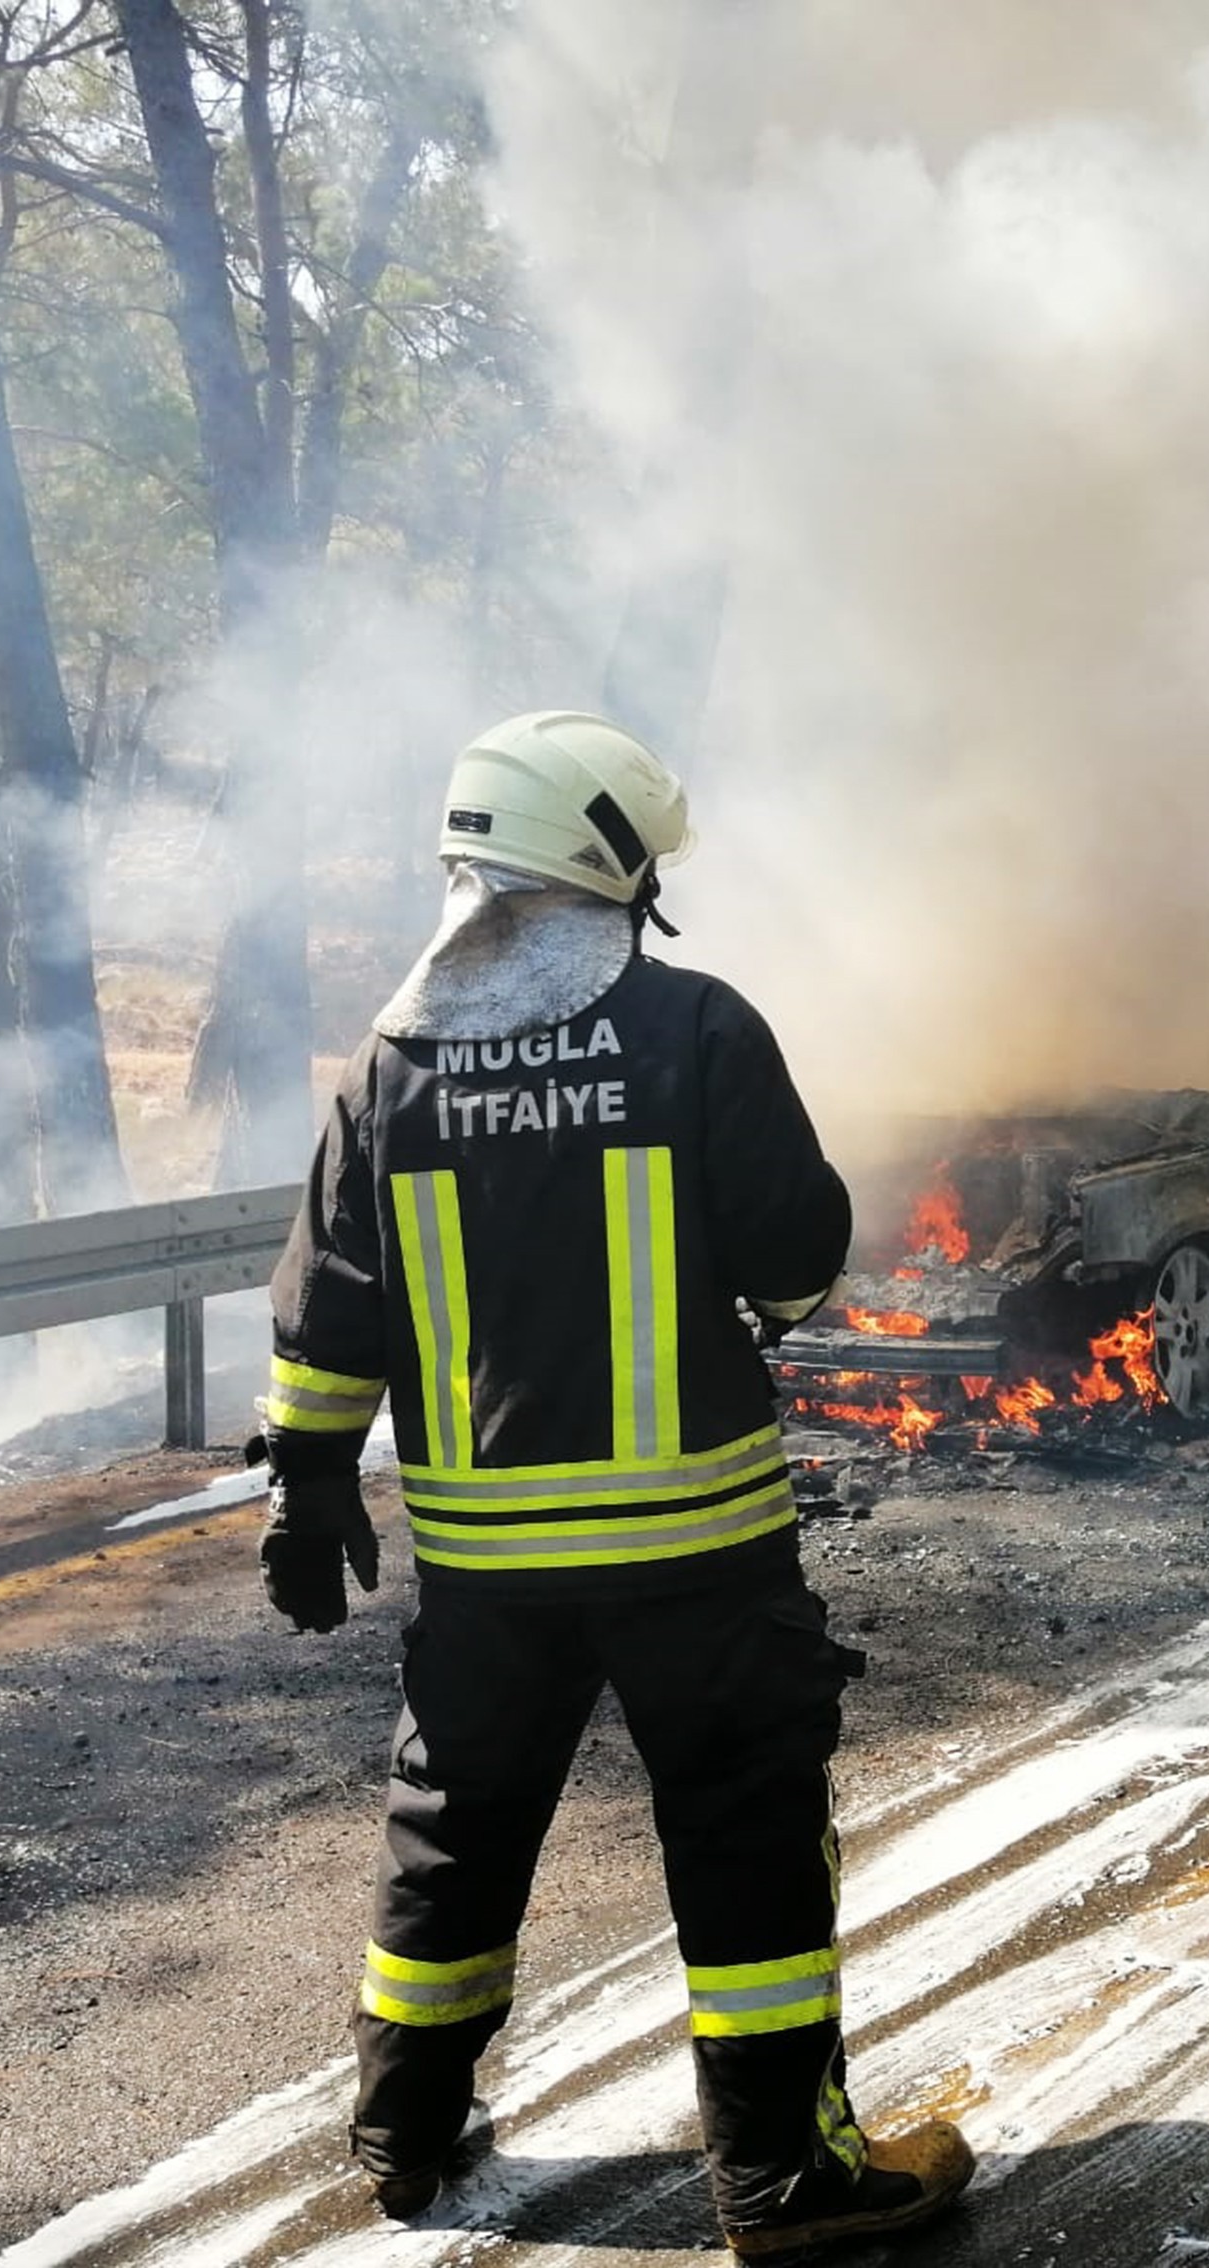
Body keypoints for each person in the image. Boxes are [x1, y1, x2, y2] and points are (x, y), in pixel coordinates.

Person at [255, 711, 974, 2250]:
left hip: (486, 1574)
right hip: (697, 1558)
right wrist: (746, 1307)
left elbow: (330, 1311)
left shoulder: (390, 1073)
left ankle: (406, 2136)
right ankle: (784, 2182)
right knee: (746, 1843)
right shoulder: (697, 1030)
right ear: (608, 863)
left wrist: (306, 1486)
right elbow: (795, 1255)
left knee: (453, 1834)